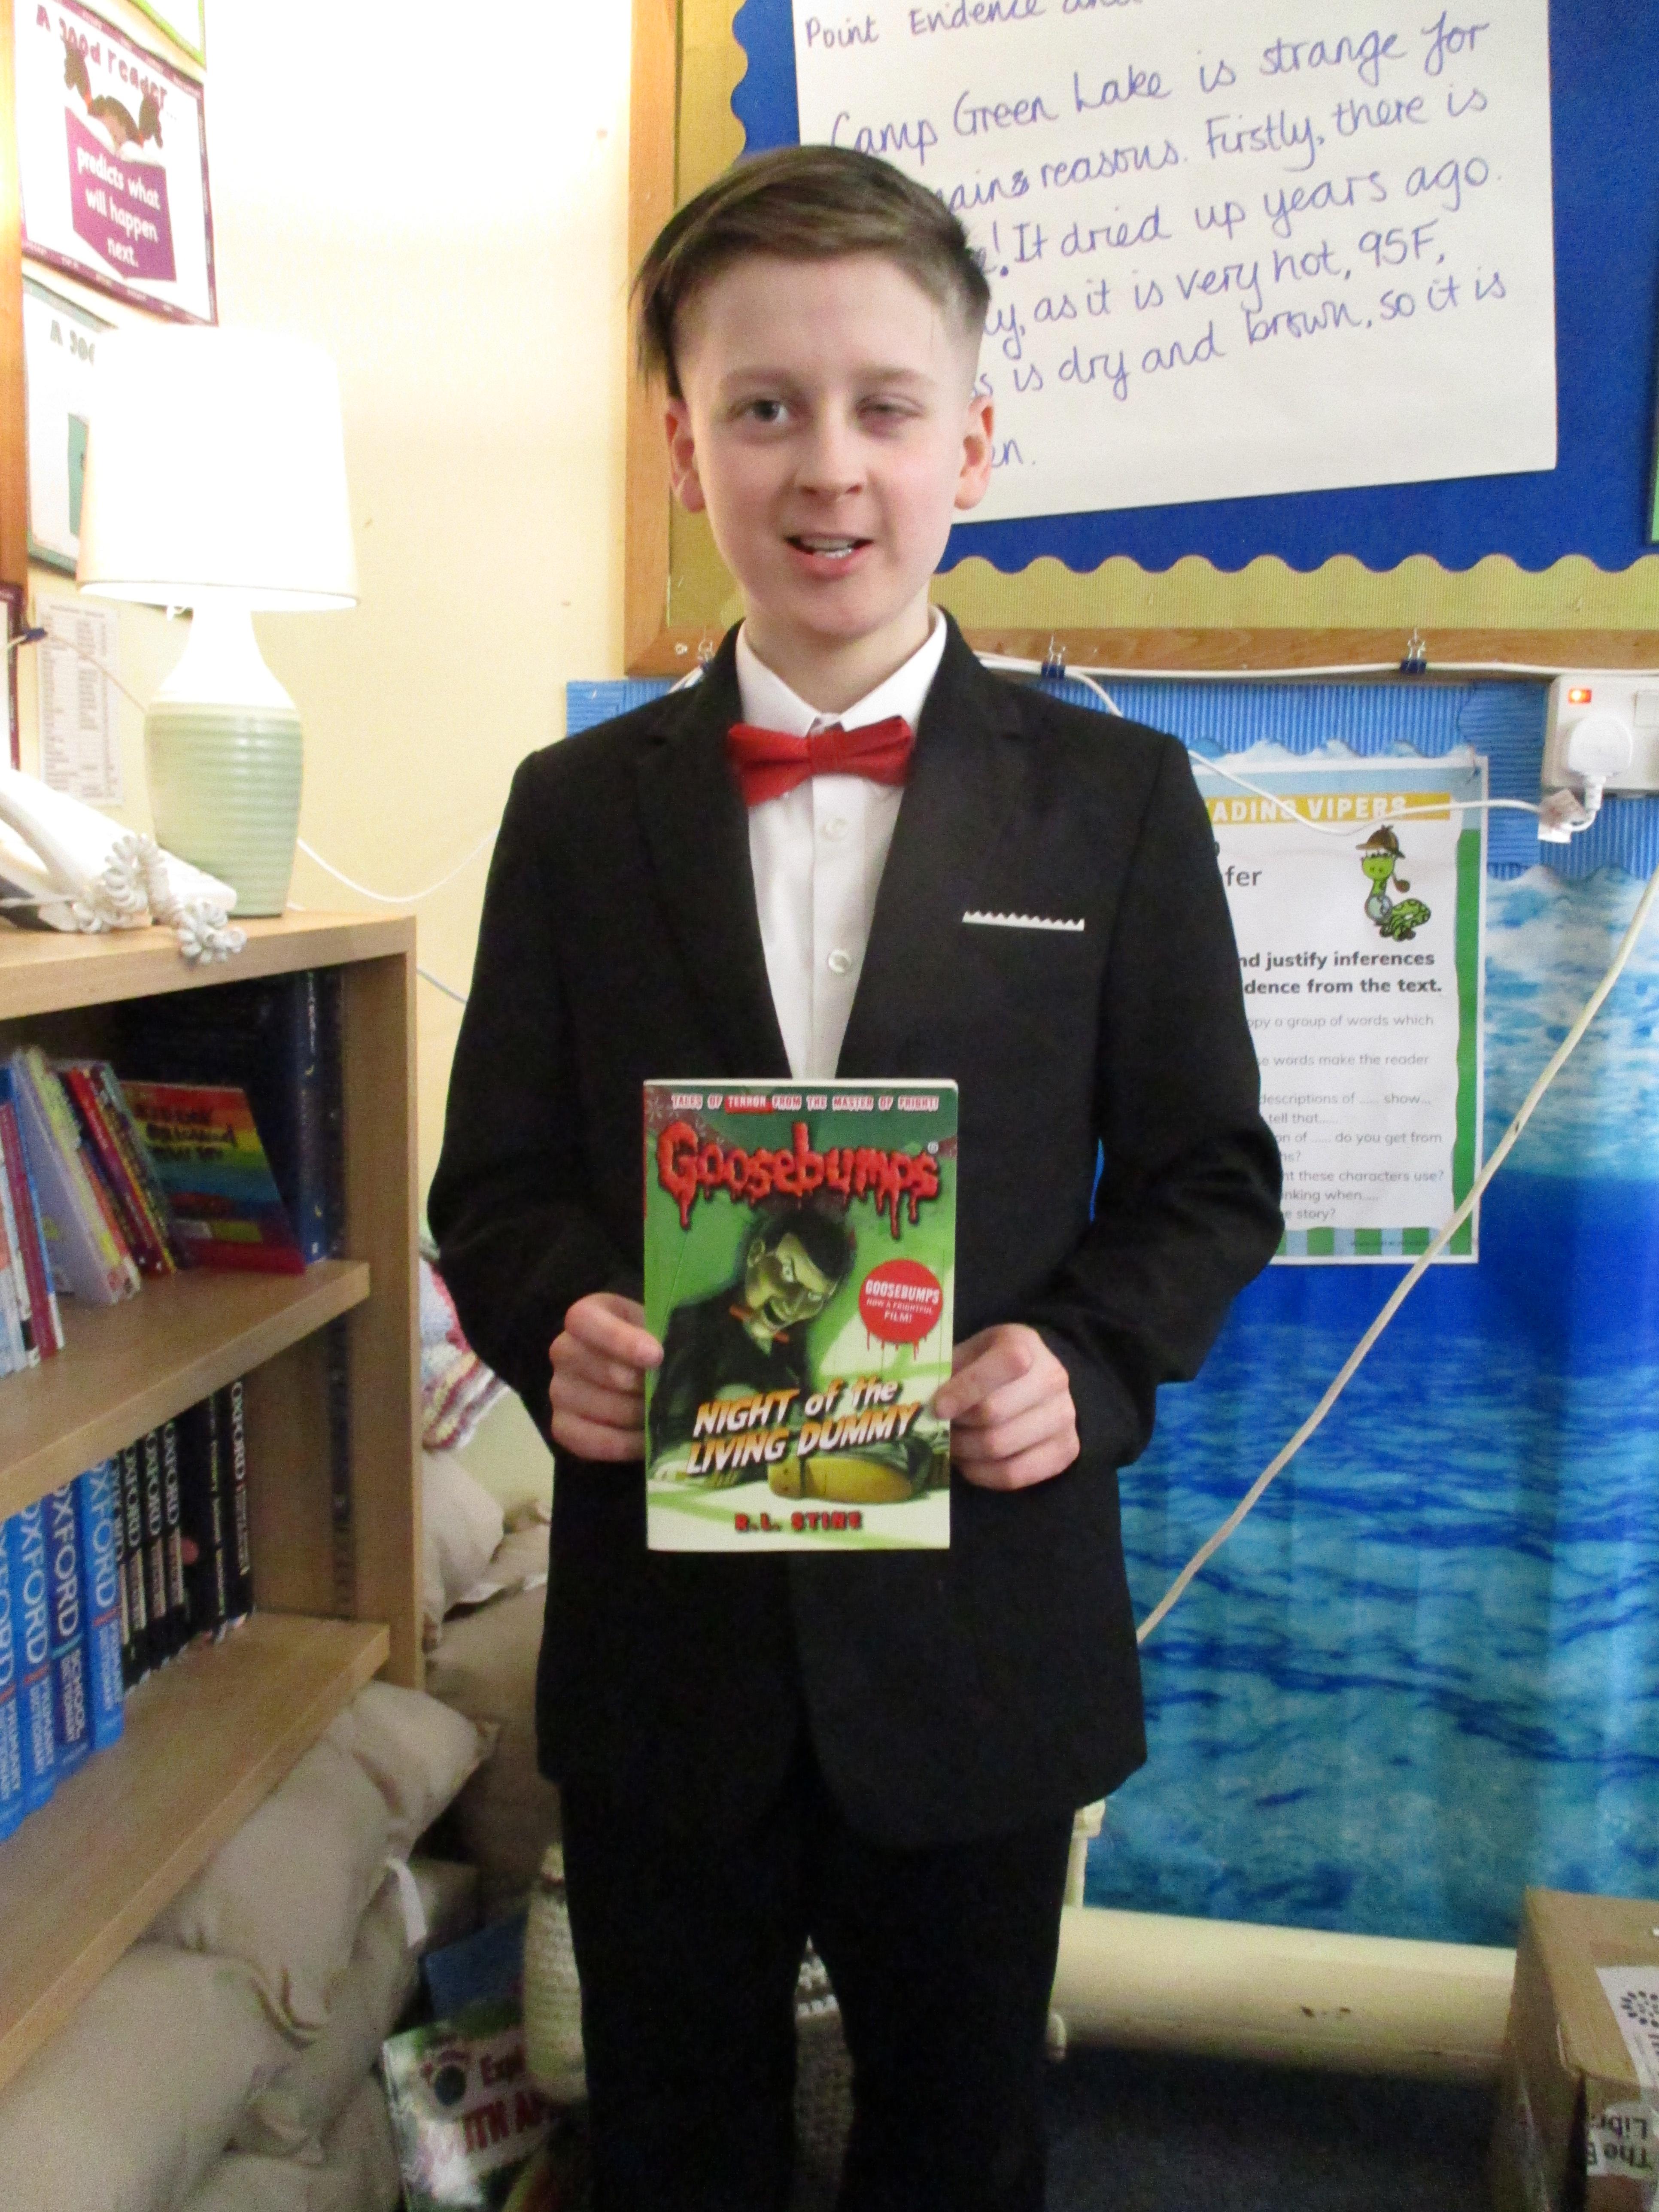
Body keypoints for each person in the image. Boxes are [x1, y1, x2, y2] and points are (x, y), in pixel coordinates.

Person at [429, 144, 1282, 2212]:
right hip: (668, 1646)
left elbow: (1209, 1179)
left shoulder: (1118, 802)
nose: (828, 466)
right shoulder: (572, 812)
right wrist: (562, 1324)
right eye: (764, 406)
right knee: (676, 2150)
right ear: (682, 444)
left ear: (970, 444)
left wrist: (1087, 1364)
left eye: (885, 406)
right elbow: (497, 1180)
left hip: (981, 1641)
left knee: (962, 2147)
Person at [649, 1203, 853, 1473]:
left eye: (815, 1296)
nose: (794, 1305)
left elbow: (812, 1426)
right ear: (756, 1254)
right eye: (789, 1273)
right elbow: (672, 1440)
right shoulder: (699, 1323)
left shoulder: (791, 1346)